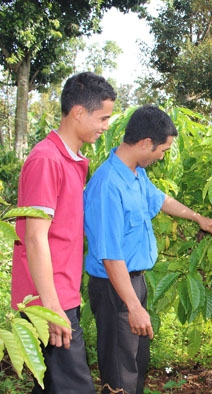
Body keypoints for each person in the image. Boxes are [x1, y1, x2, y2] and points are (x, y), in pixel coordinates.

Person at [83, 104, 212, 394]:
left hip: (134, 283)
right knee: (120, 374)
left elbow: (161, 200)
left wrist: (199, 218)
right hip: (115, 289)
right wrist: (133, 306)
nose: (162, 156)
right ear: (146, 143)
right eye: (163, 150)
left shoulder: (135, 175)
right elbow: (110, 255)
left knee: (136, 364)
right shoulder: (109, 185)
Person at [10, 72, 117, 394]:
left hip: (60, 293)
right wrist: (53, 308)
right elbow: (34, 237)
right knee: (74, 387)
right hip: (48, 298)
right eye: (103, 117)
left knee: (54, 386)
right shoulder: (47, 160)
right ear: (79, 113)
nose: (106, 125)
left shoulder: (71, 160)